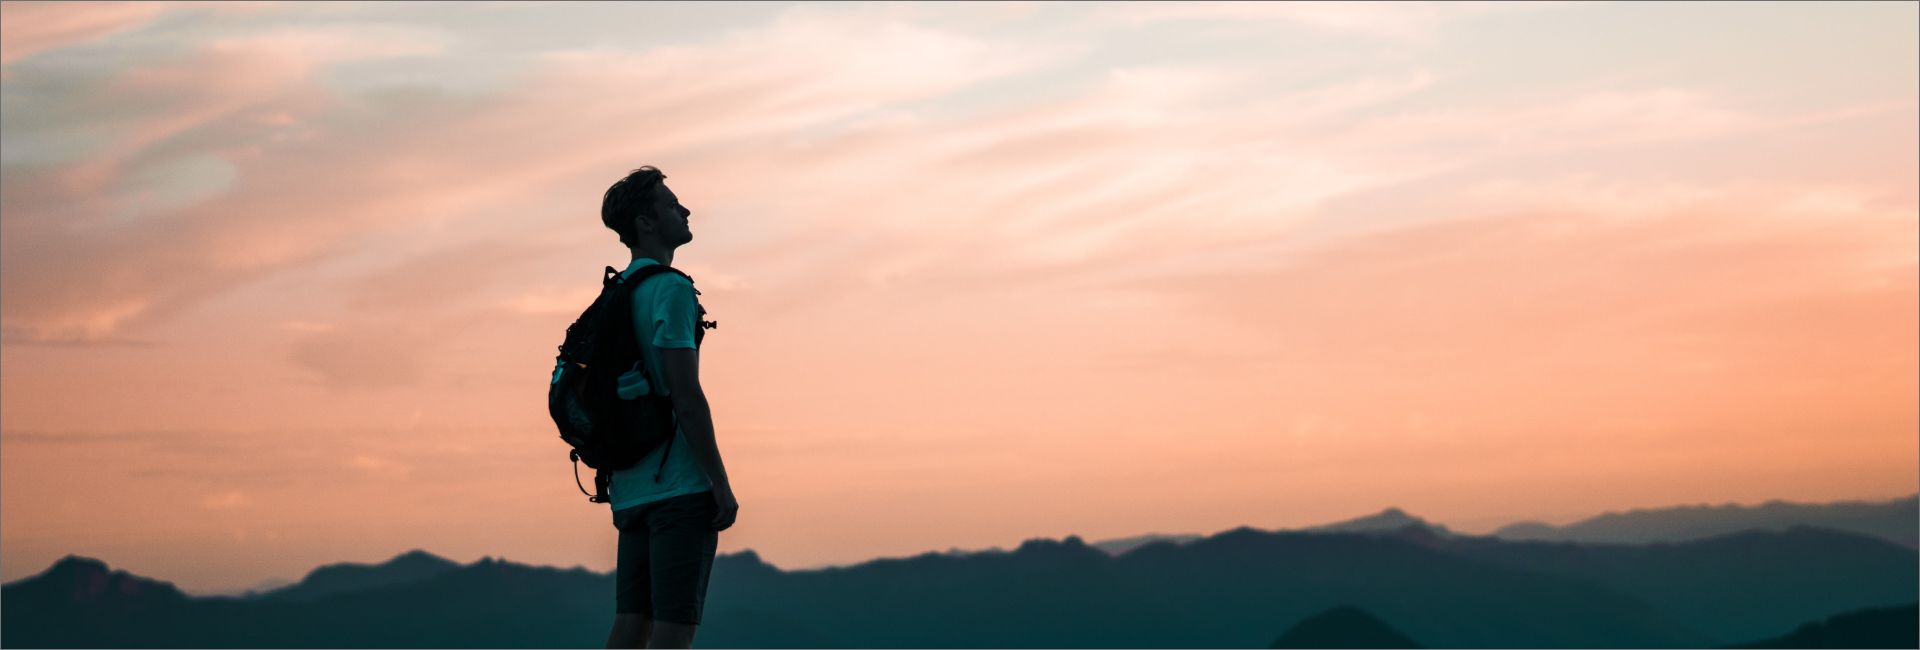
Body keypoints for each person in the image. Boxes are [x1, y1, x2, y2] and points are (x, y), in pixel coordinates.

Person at [597, 166, 739, 649]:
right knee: (673, 632)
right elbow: (687, 397)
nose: (685, 210)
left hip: (630, 489)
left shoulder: (616, 292)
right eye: (672, 205)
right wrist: (718, 483)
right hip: (678, 487)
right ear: (647, 224)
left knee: (631, 624)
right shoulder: (671, 289)